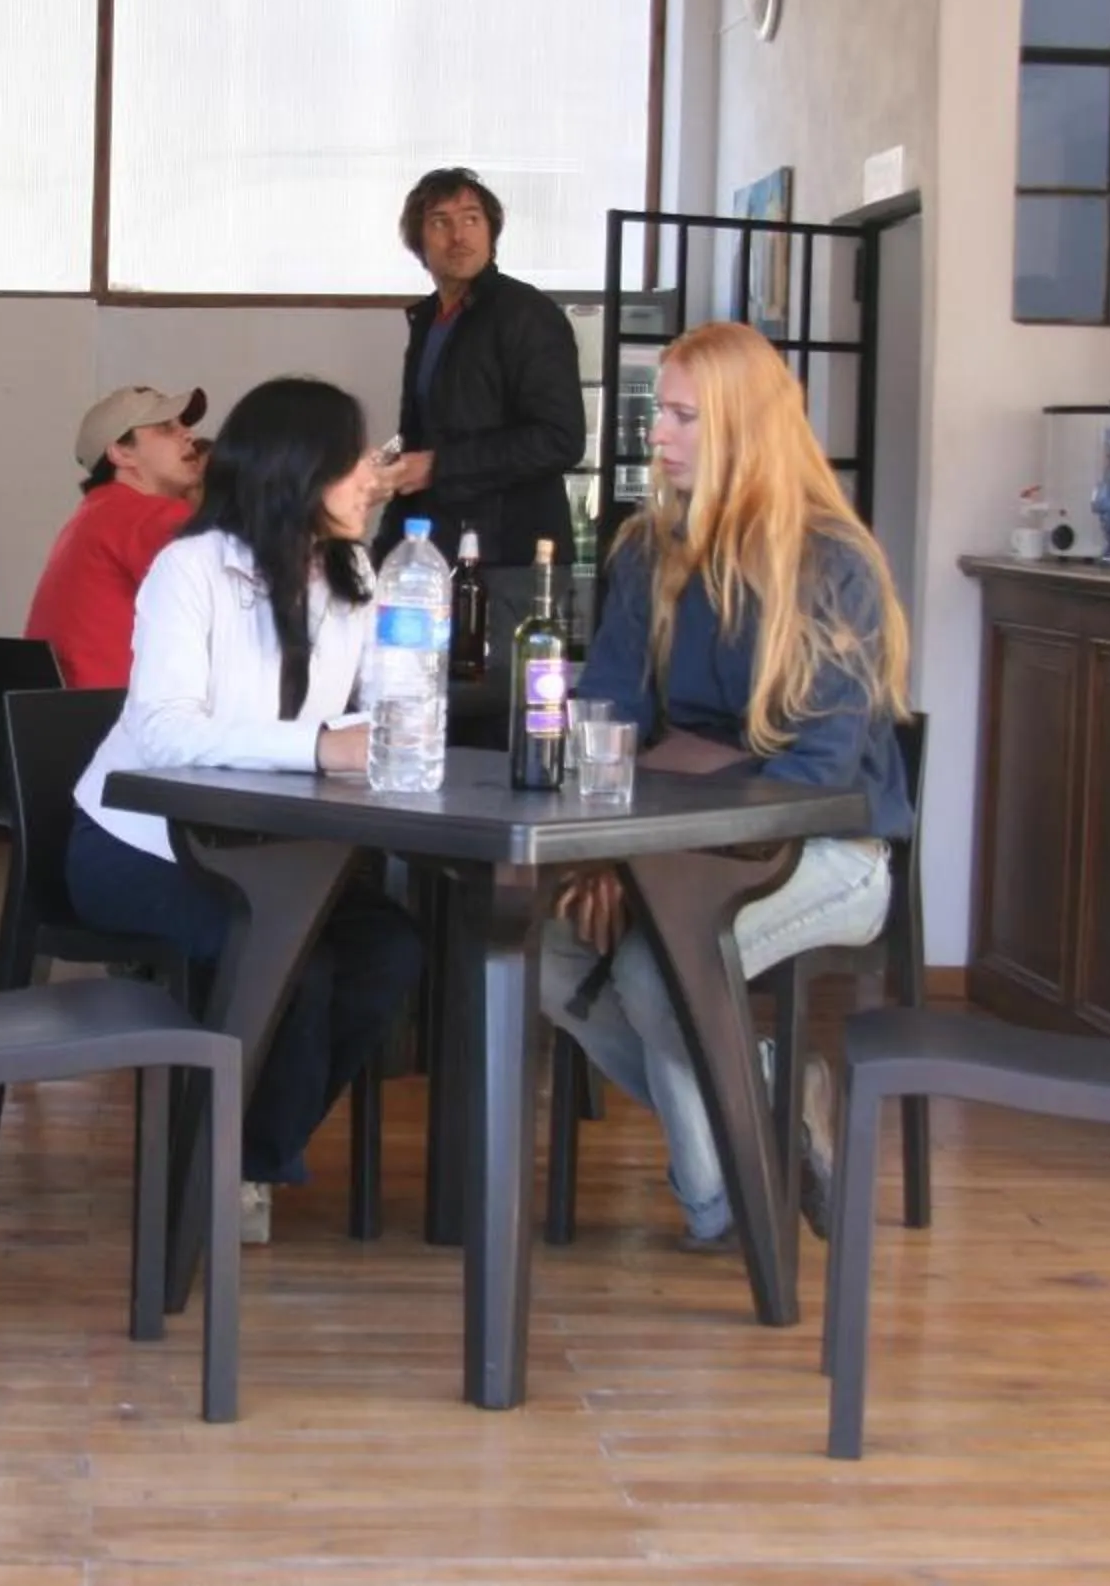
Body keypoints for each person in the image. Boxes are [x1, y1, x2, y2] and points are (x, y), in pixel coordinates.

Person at [536, 322, 914, 1253]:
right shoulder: (645, 550)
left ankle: (728, 1207)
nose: (653, 435)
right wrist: (613, 855)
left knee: (658, 962)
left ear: (741, 428)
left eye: (678, 417)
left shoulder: (833, 562)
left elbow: (813, 777)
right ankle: (777, 1088)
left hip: (828, 850)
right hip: (683, 842)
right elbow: (606, 714)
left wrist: (652, 860)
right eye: (656, 414)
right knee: (548, 957)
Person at [64, 377, 427, 1245]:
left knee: (391, 947)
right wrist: (318, 748)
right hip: (141, 844)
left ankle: (251, 1150)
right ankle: (232, 1165)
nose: (371, 480)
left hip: (273, 849)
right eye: (355, 464)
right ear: (295, 472)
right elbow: (160, 732)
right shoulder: (191, 569)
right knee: (292, 954)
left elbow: (386, 703)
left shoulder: (352, 573)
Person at [375, 167, 586, 567]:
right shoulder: (430, 318)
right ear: (418, 240)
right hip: (438, 545)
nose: (459, 236)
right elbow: (425, 435)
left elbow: (561, 438)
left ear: (491, 232)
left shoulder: (527, 314)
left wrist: (438, 466)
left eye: (472, 219)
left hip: (512, 557)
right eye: (441, 222)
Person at [23, 384, 207, 688]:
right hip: (115, 719)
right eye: (165, 428)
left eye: (184, 425)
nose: (188, 434)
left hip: (67, 718)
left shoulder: (96, 514)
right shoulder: (149, 517)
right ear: (122, 452)